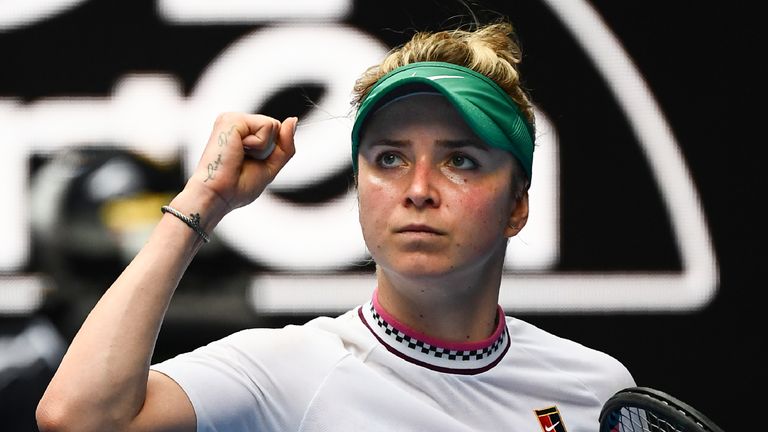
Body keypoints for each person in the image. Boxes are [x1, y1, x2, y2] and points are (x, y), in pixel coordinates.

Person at [36, 19, 635, 432]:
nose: (418, 189)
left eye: (460, 161)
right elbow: (77, 418)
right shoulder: (288, 371)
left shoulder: (595, 389)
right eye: (389, 159)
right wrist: (203, 201)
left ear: (517, 206)